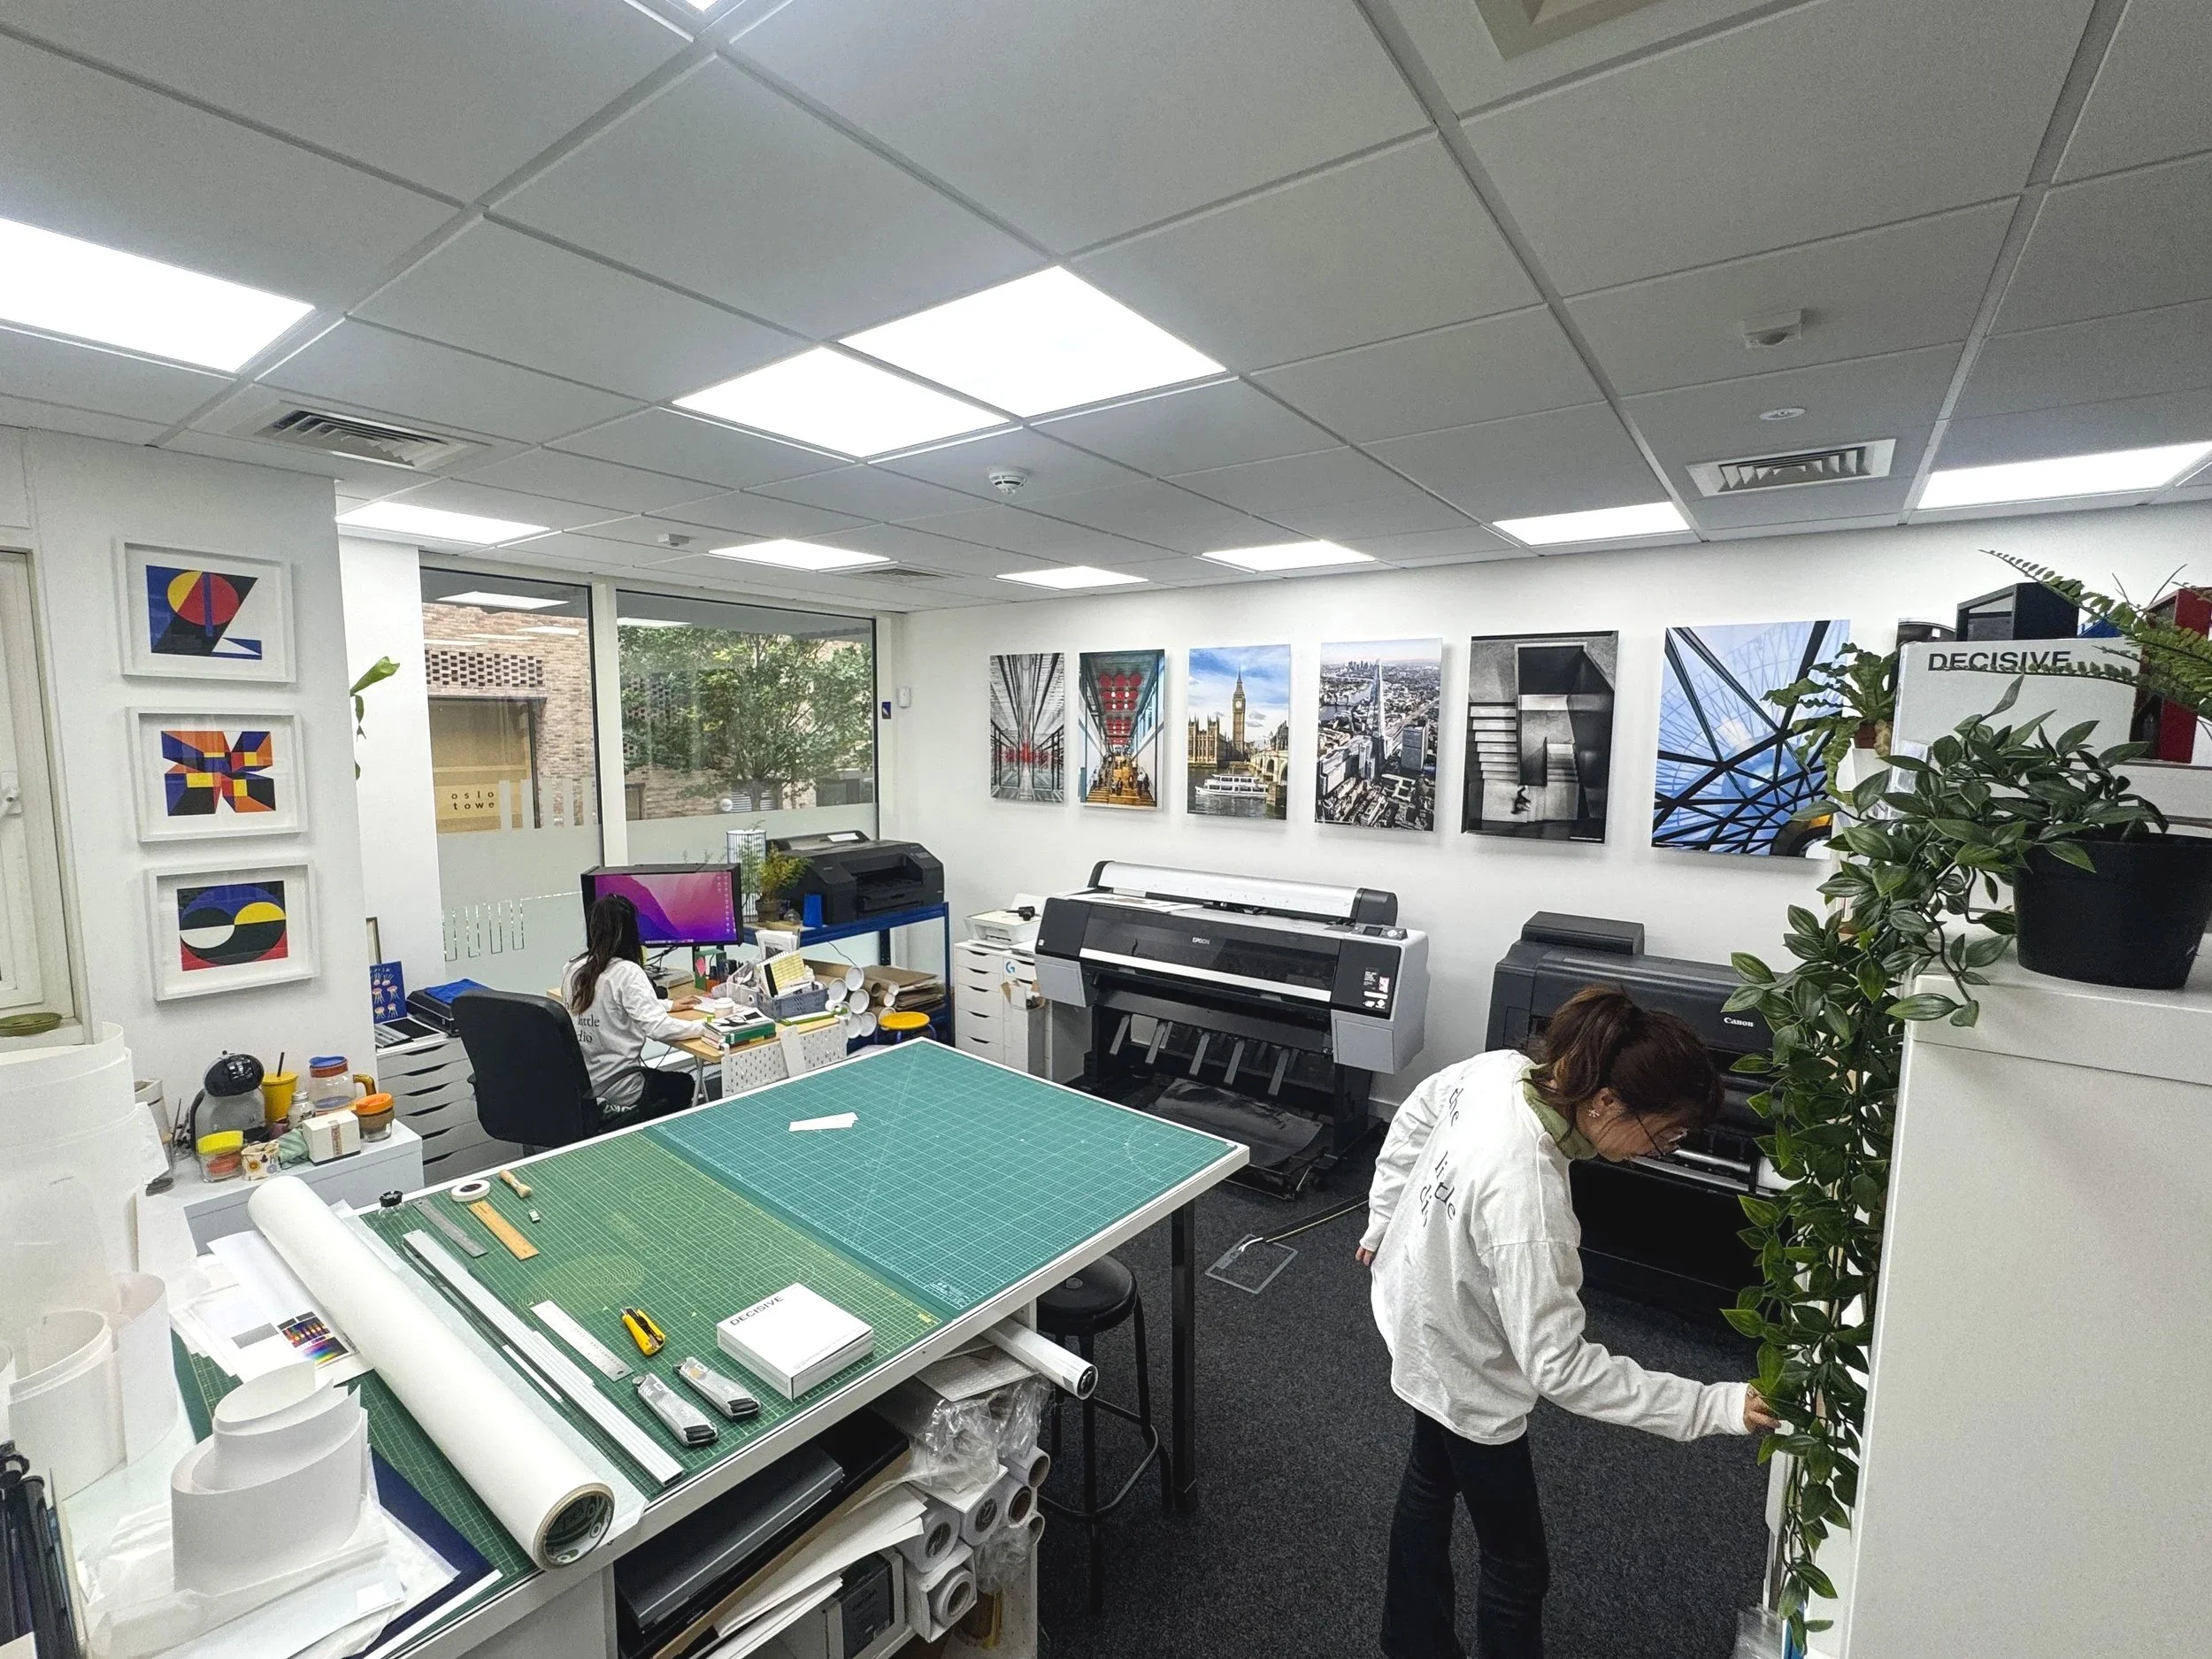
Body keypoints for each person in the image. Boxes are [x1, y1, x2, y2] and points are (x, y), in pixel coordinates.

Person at [1357, 984, 1779, 1659]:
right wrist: (1715, 1403)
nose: (1662, 1147)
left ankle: (1410, 1642)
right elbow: (1562, 1367)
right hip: (1463, 1364)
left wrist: (1383, 1217)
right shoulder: (1531, 1201)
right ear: (1607, 1100)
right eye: (1664, 1131)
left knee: (1429, 1482)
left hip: (1416, 1305)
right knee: (1518, 1565)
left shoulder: (1505, 1072)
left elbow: (1416, 1109)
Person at [564, 894, 702, 1122]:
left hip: (585, 1083)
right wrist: (705, 1028)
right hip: (622, 1088)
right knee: (684, 1084)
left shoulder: (573, 968)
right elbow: (658, 1028)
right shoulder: (626, 972)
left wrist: (667, 1004)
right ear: (630, 932)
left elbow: (608, 1005)